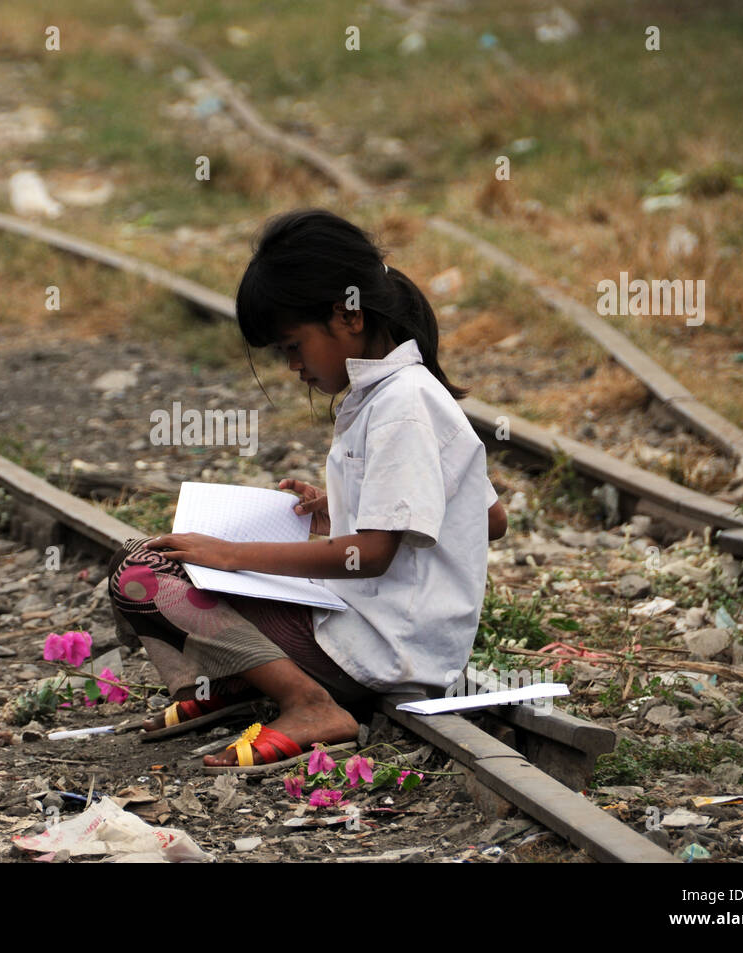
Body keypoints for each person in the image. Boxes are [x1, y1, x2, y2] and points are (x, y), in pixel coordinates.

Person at [106, 208, 506, 771]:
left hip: (378, 649)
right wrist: (341, 509)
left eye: (294, 345)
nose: (293, 366)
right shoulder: (398, 393)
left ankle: (310, 703)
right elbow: (488, 517)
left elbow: (370, 555)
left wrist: (229, 554)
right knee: (161, 561)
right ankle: (237, 684)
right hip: (391, 637)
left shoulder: (401, 405)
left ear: (348, 317)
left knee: (145, 575)